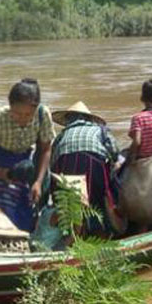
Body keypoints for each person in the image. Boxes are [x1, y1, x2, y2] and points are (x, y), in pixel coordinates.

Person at [0, 79, 54, 232]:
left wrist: (38, 182)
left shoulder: (42, 115)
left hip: (20, 166)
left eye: (28, 114)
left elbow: (45, 149)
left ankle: (19, 242)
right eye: (17, 114)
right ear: (10, 106)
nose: (22, 118)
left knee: (22, 212)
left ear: (36, 109)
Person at [48, 101, 124, 236]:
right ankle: (102, 230)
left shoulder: (62, 135)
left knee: (69, 200)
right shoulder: (100, 130)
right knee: (99, 197)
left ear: (69, 120)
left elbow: (52, 161)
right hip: (92, 162)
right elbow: (114, 151)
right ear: (88, 118)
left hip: (64, 164)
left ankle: (73, 232)